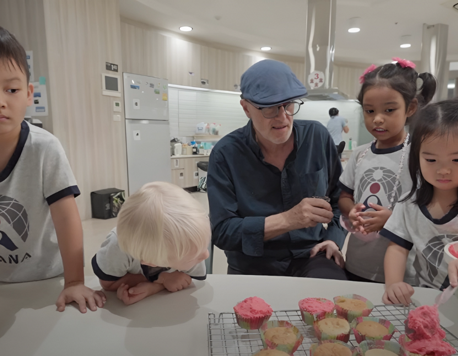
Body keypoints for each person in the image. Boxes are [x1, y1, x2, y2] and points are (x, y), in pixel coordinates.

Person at [207, 59, 347, 279]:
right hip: (252, 263)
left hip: (310, 255)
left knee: (334, 298)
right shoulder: (226, 154)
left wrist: (333, 239)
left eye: (289, 104)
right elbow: (223, 232)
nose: (283, 117)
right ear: (246, 108)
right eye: (269, 107)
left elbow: (342, 199)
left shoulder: (317, 137)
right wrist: (288, 220)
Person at [0, 27, 105, 313]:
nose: (2, 101)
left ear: (28, 94)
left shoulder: (43, 148)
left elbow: (67, 219)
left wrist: (74, 281)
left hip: (46, 279)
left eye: (11, 89)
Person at [338, 58, 436, 284]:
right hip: (356, 263)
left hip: (401, 272)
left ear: (410, 108)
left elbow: (430, 213)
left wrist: (392, 220)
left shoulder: (420, 155)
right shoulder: (361, 154)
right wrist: (351, 210)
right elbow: (344, 196)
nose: (378, 119)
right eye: (369, 110)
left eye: (389, 110)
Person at [380, 99, 458, 305]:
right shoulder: (409, 205)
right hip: (426, 299)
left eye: (456, 160)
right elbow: (397, 247)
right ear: (417, 157)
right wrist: (394, 284)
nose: (443, 170)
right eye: (431, 160)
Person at [91, 182, 210, 305]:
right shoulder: (116, 248)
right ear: (152, 262)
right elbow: (108, 284)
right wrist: (162, 279)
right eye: (194, 256)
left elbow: (184, 279)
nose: (205, 255)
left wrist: (155, 287)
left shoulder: (193, 243)